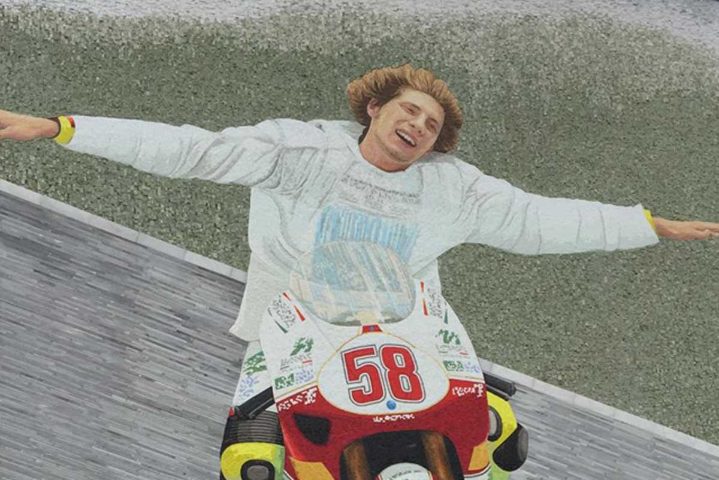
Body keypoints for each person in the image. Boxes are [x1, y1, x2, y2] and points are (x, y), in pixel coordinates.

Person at [2, 64, 718, 479]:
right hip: (293, 330)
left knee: (500, 436)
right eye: (408, 111)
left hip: (410, 333)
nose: (417, 127)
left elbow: (539, 220)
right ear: (374, 108)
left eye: (430, 125)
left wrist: (647, 225)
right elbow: (192, 149)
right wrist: (60, 127)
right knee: (250, 462)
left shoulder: (452, 189)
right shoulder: (299, 152)